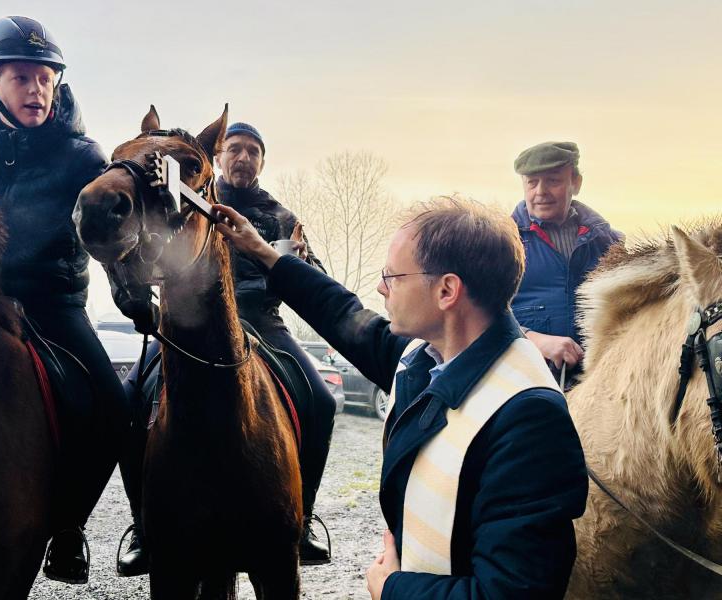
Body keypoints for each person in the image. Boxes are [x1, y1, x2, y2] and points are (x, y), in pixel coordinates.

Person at [212, 196, 588, 599]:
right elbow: (342, 312)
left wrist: (393, 589)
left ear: (447, 291)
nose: (380, 287)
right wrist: (266, 254)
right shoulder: (426, 356)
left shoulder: (528, 419)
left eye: (392, 277)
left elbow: (510, 593)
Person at [115, 121, 336, 574]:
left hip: (262, 322)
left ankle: (303, 515)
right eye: (235, 148)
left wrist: (301, 258)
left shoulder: (281, 215)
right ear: (218, 158)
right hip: (196, 326)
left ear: (262, 161)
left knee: (324, 400)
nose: (243, 157)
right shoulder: (187, 198)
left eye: (253, 151)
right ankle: (143, 525)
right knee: (127, 398)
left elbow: (308, 272)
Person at [0, 16, 129, 585]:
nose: (37, 91)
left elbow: (110, 226)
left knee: (113, 406)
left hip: (54, 305)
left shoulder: (81, 155)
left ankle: (70, 527)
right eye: (22, 78)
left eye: (46, 78)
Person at [510, 142, 623, 381]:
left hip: (598, 384)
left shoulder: (610, 243)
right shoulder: (502, 243)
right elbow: (479, 317)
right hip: (523, 384)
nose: (540, 191)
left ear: (576, 183)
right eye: (532, 182)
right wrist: (534, 341)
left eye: (552, 180)